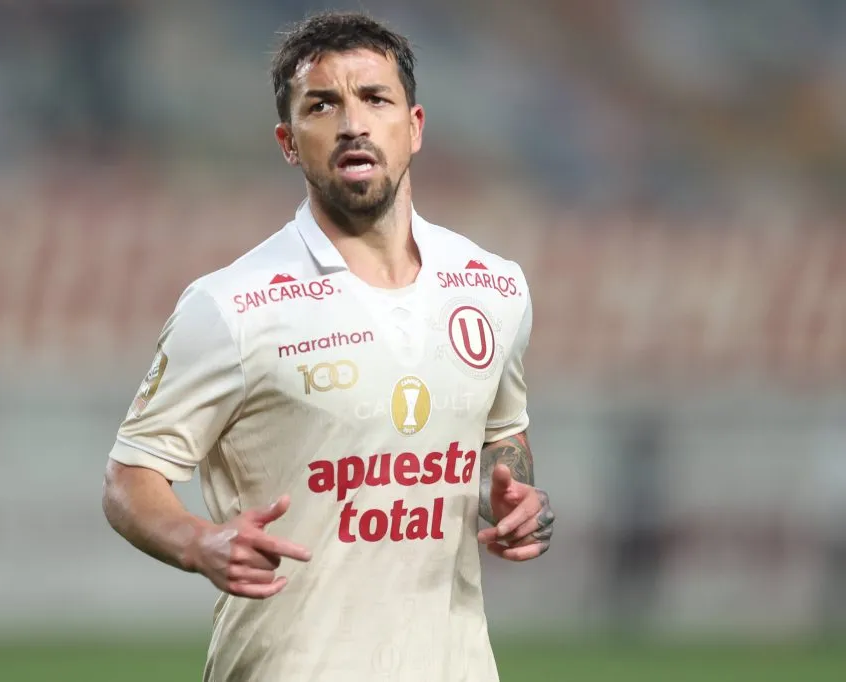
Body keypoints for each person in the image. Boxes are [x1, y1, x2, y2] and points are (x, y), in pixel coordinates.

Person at [102, 11, 555, 682]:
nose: (352, 123)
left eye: (374, 98)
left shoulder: (492, 286)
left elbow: (500, 436)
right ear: (288, 142)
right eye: (322, 105)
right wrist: (200, 542)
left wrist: (511, 496)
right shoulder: (232, 307)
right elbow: (129, 479)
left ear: (415, 126)